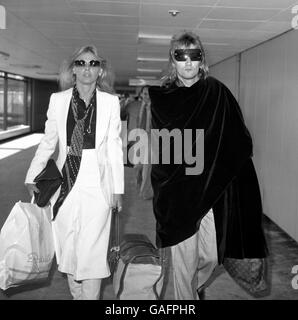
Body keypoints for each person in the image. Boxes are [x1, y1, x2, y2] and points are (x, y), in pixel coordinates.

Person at [148, 31, 268, 300]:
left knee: (212, 257)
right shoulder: (163, 99)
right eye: (181, 56)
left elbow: (239, 140)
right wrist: (163, 193)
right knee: (182, 266)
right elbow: (161, 152)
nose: (188, 62)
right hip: (179, 195)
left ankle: (195, 286)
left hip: (211, 194)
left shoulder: (216, 92)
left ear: (202, 60)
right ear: (173, 60)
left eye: (194, 55)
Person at [24, 45, 124, 300]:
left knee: (92, 249)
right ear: (73, 70)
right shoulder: (58, 100)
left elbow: (113, 146)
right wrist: (31, 175)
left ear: (100, 71)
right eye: (81, 63)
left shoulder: (111, 102)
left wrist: (118, 189)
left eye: (93, 63)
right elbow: (48, 141)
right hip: (65, 180)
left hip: (98, 182)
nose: (87, 68)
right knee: (68, 246)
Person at [135, 86, 153, 199]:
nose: (146, 96)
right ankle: (141, 185)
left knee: (147, 167)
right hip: (140, 137)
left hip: (151, 138)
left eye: (148, 94)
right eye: (144, 94)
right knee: (138, 166)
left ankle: (145, 192)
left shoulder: (155, 107)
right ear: (141, 94)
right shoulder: (138, 106)